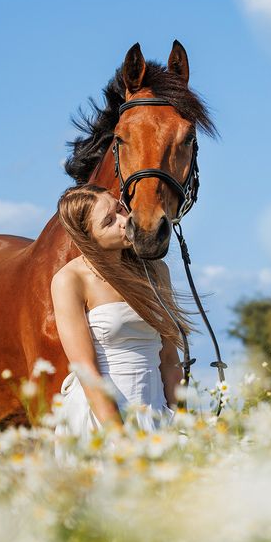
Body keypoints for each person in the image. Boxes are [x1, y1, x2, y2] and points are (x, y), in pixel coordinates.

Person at [51, 183, 193, 440]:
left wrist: (181, 422)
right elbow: (85, 367)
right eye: (108, 221)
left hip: (155, 411)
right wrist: (119, 437)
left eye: (119, 209)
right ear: (88, 236)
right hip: (100, 419)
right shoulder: (70, 280)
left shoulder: (157, 271)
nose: (123, 221)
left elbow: (170, 358)